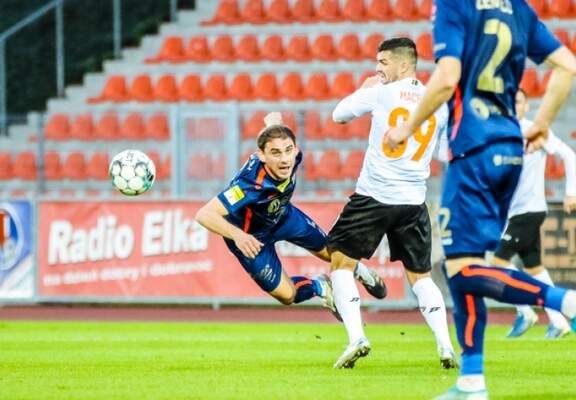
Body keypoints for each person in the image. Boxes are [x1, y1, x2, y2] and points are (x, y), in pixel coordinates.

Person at [384, 1, 576, 398]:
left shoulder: (453, 4)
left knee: (462, 272)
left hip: (473, 150)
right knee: (467, 263)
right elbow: (567, 65)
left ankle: (562, 301)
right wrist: (541, 123)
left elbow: (446, 78)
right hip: (510, 150)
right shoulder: (519, 8)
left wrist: (407, 128)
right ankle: (471, 380)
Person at [327, 37, 456, 370]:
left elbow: (339, 115)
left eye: (383, 62)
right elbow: (445, 153)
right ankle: (445, 345)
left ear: (404, 64)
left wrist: (364, 88)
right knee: (421, 277)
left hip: (373, 196)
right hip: (413, 201)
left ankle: (356, 338)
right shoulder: (438, 103)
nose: (377, 68)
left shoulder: (381, 92)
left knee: (340, 263)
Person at [195, 112, 386, 313]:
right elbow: (204, 214)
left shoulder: (293, 156)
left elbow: (277, 132)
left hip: (283, 217)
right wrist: (238, 236)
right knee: (287, 296)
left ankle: (361, 272)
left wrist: (273, 122)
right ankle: (321, 287)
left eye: (288, 151)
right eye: (276, 153)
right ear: (262, 155)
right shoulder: (249, 184)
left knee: (332, 252)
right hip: (251, 238)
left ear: (295, 149)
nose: (285, 159)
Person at [492, 88, 576, 339]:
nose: (513, 105)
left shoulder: (534, 130)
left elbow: (569, 155)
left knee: (496, 263)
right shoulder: (499, 132)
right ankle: (559, 321)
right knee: (534, 267)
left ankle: (525, 310)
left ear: (527, 106)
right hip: (513, 212)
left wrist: (571, 192)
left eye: (519, 101)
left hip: (529, 211)